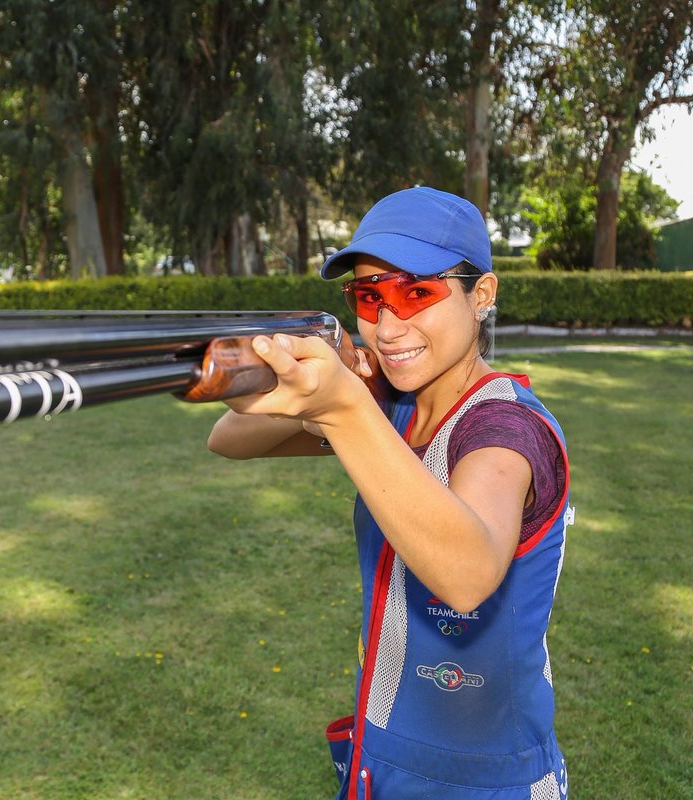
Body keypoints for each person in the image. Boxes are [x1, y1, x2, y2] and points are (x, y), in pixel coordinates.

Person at [208, 187, 573, 800]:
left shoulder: (506, 427)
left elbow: (467, 571)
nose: (388, 323)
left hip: (487, 781)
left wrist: (345, 406)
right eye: (368, 296)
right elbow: (231, 438)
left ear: (481, 296)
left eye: (416, 292)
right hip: (381, 761)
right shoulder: (388, 408)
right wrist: (304, 387)